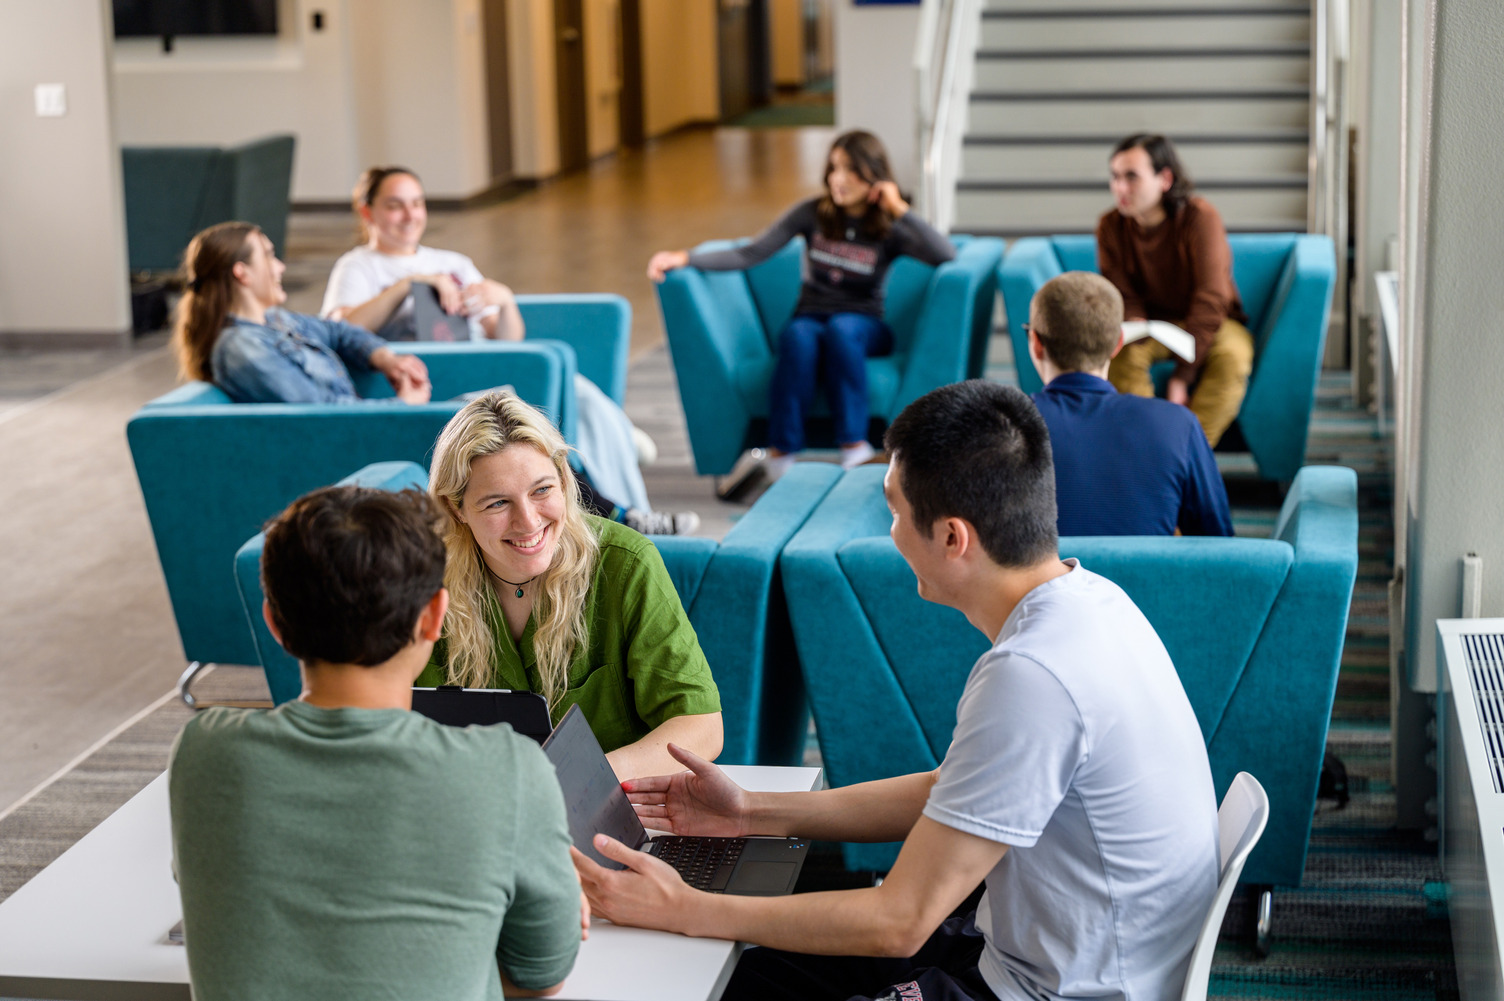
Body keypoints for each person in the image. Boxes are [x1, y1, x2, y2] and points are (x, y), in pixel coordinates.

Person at [572, 380, 1220, 1001]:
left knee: (745, 962)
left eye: (894, 509)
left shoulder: (1033, 677)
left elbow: (897, 921)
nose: (890, 531)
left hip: (1052, 988)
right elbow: (948, 791)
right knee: (757, 975)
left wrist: (686, 908)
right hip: (1053, 953)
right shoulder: (1091, 600)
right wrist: (750, 809)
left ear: (951, 537)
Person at [168, 484, 583, 1001]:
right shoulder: (510, 769)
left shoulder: (204, 753)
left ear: (275, 623)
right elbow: (542, 976)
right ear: (435, 617)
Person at [173, 220, 683, 534]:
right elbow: (327, 418)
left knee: (506, 410)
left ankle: (602, 517)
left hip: (375, 427)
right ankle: (608, 521)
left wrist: (385, 360)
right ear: (242, 272)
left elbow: (339, 333)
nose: (280, 266)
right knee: (498, 421)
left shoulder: (277, 321)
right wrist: (406, 411)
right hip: (358, 446)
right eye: (268, 255)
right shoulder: (242, 348)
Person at [320, 166, 691, 535]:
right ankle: (620, 504)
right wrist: (408, 284)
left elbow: (508, 343)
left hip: (488, 365)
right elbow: (340, 328)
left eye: (417, 204)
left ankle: (629, 489)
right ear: (367, 212)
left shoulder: (451, 262)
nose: (410, 215)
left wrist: (506, 301)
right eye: (395, 206)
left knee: (581, 395)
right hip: (443, 381)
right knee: (530, 416)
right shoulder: (357, 267)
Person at [415, 390, 723, 779]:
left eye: (541, 490)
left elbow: (701, 727)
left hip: (616, 813)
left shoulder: (625, 563)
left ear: (564, 478)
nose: (528, 522)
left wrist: (576, 780)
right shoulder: (426, 583)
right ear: (455, 508)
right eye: (497, 503)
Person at [647, 130, 955, 482]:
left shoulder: (887, 226)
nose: (838, 179)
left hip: (863, 326)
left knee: (842, 329)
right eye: (834, 168)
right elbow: (751, 252)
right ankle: (782, 451)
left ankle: (854, 446)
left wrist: (899, 208)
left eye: (851, 170)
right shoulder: (813, 213)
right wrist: (686, 257)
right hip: (811, 317)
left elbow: (945, 254)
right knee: (797, 335)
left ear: (873, 175)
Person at [1028, 271, 1232, 537]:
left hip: (1038, 581)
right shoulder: (1178, 425)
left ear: (1036, 343)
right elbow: (1218, 546)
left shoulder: (998, 425)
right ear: (1118, 344)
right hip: (1144, 579)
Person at [1098, 133, 1253, 447]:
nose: (1120, 188)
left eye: (1132, 177)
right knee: (1118, 355)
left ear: (1164, 178)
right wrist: (1136, 323)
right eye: (1115, 177)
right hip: (1152, 326)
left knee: (1234, 356)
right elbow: (1123, 294)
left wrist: (1183, 376)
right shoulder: (1110, 226)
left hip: (1211, 322)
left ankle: (1187, 456)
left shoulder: (1199, 217)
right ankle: (1151, 452)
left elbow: (1212, 297)